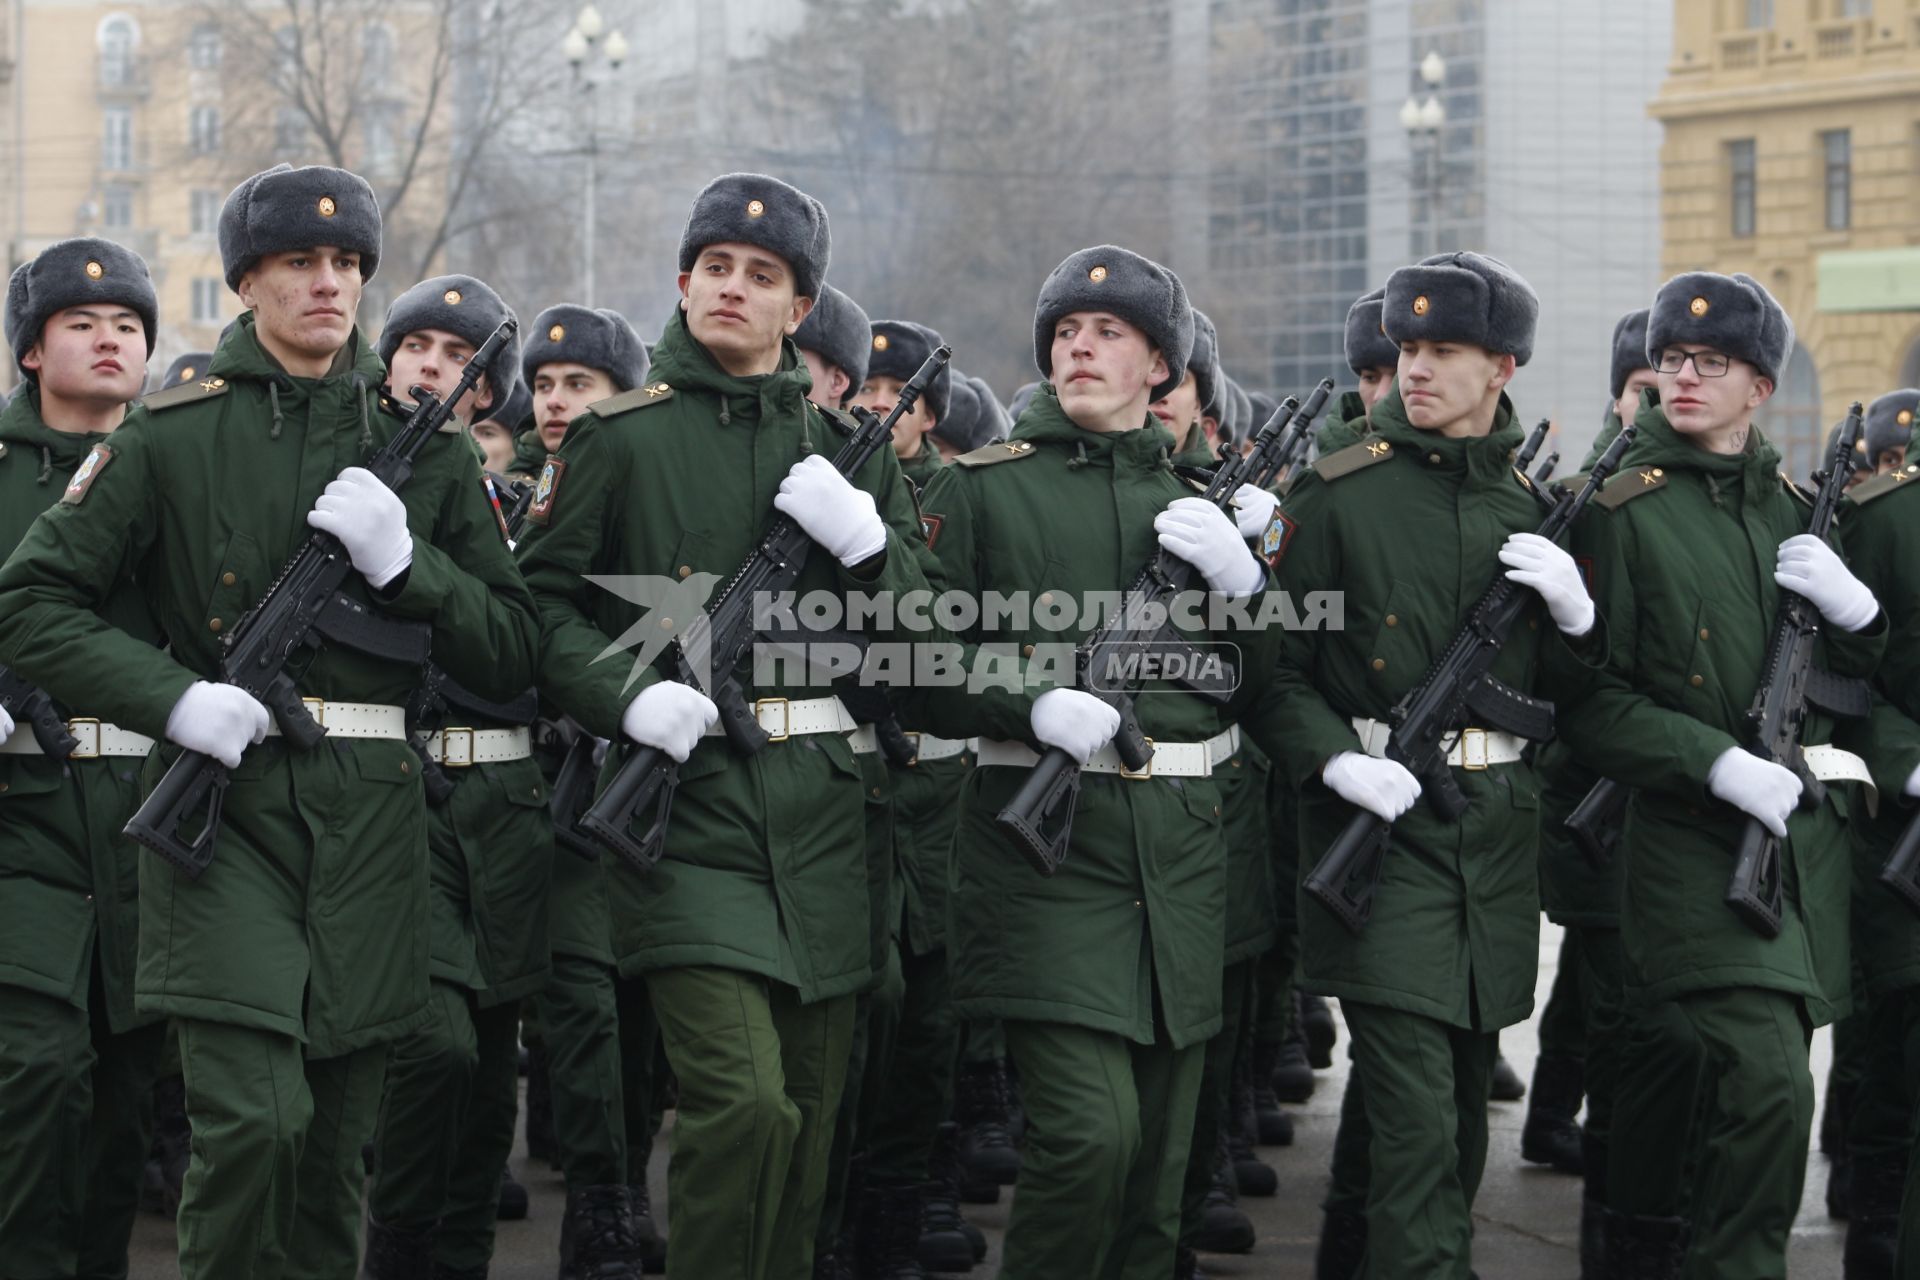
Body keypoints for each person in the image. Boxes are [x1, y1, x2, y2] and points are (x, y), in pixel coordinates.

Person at [0, 162, 539, 1280]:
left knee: (335, 1144)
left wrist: (413, 564)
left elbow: (514, 646)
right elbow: (30, 602)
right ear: (248, 280)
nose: (329, 282)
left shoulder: (427, 453)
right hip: (228, 818)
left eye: (346, 263)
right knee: (256, 1125)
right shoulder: (171, 437)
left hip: (376, 827)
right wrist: (176, 697)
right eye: (299, 260)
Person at [515, 172, 941, 1280]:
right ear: (683, 281)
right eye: (716, 269)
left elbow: (931, 634)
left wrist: (869, 548)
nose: (734, 291)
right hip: (690, 808)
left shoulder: (849, 450)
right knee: (742, 1104)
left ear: (800, 310)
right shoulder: (620, 437)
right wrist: (626, 693)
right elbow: (542, 610)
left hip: (829, 815)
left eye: (763, 278)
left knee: (805, 1125)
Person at [909, 244, 1275, 1279]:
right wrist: (1028, 696)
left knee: (1159, 1174)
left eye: (1107, 332)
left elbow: (1257, 688)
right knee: (1086, 1135)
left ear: (1160, 363)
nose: (1080, 345)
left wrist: (1246, 586)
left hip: (1181, 864)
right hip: (1046, 862)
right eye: (1066, 332)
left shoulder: (1202, 507)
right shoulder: (983, 490)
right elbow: (915, 655)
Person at [1253, 251, 1594, 1279]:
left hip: (1490, 844)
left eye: (1444, 350)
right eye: (1407, 348)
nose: (1417, 369)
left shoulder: (1528, 510)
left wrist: (1579, 619)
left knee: (1455, 1115)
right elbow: (1269, 670)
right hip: (1380, 836)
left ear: (1503, 366)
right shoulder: (1336, 495)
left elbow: (1580, 703)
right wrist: (1332, 762)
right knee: (1412, 1121)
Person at [1559, 270, 1884, 1277]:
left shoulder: (1796, 511)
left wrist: (1860, 617)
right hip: (1677, 841)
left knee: (1699, 1090)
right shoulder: (1616, 508)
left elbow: (1851, 688)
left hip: (1789, 851)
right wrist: (1715, 761)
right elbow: (1590, 702)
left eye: (1714, 362)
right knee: (1770, 1085)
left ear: (1759, 387)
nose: (1685, 376)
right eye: (1672, 359)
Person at [356, 272, 553, 1280]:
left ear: (485, 396)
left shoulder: (500, 503)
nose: (429, 366)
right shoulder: (357, 465)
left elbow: (520, 644)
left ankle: (461, 1257)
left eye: (453, 356)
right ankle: (395, 1250)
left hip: (507, 807)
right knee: (437, 1047)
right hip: (409, 790)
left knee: (489, 1079)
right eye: (414, 346)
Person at [0, 235, 166, 1280]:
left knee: (124, 1097)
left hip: (150, 816)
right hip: (23, 811)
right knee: (36, 1070)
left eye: (130, 327)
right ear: (30, 351)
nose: (110, 340)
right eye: (81, 323)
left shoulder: (177, 465)